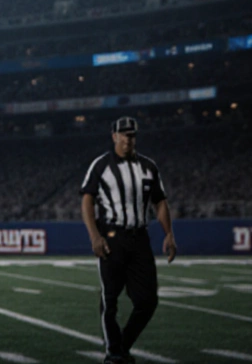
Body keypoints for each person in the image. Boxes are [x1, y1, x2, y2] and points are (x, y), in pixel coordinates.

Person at [80, 116, 177, 364]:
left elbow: (160, 201)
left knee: (147, 301)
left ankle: (122, 344)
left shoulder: (148, 166)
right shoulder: (101, 165)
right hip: (112, 237)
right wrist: (95, 235)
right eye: (123, 134)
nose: (127, 138)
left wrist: (169, 233)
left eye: (131, 134)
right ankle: (114, 352)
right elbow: (87, 200)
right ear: (114, 136)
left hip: (139, 238)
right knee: (110, 298)